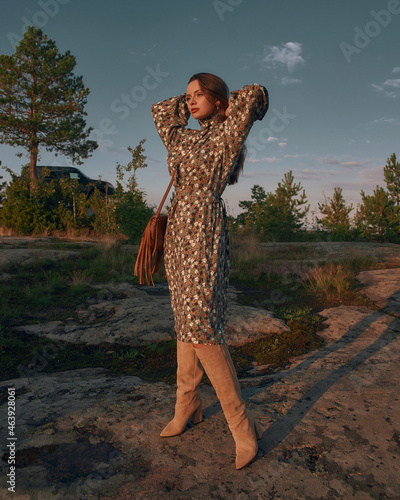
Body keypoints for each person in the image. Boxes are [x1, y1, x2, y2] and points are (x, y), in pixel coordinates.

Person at [151, 73, 269, 469]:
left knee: (201, 324)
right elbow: (161, 113)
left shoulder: (227, 134)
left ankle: (241, 426)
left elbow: (255, 94)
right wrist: (187, 102)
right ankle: (187, 405)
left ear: (219, 100)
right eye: (188, 96)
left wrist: (224, 102)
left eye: (200, 94)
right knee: (184, 318)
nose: (190, 101)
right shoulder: (183, 138)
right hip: (178, 227)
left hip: (205, 228)